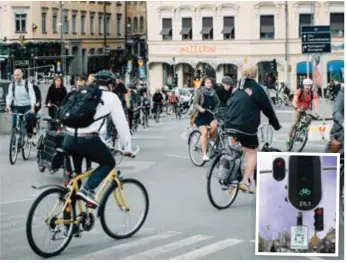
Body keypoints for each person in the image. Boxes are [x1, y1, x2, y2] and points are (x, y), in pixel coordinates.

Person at [62, 70, 133, 207]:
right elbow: (121, 125)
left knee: (76, 181)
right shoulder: (111, 97)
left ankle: (69, 220)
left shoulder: (83, 91)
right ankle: (88, 190)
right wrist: (127, 147)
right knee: (108, 162)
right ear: (111, 85)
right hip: (87, 141)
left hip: (69, 138)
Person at [224, 65, 281, 192]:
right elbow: (267, 108)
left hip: (229, 124)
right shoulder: (257, 88)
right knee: (253, 151)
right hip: (246, 126)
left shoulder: (237, 87)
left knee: (242, 149)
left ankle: (241, 172)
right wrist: (275, 124)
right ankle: (245, 181)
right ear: (255, 75)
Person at [191, 77, 220, 161]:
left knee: (215, 126)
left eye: (210, 83)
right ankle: (204, 155)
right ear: (204, 83)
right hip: (200, 115)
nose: (209, 84)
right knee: (204, 132)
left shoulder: (213, 92)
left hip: (210, 114)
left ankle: (209, 140)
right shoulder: (199, 91)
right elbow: (195, 103)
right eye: (207, 83)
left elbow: (218, 102)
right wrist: (200, 108)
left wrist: (217, 109)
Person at [286, 78, 319, 149]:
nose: (307, 87)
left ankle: (302, 130)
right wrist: (296, 108)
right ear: (303, 85)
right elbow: (294, 101)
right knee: (294, 123)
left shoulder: (313, 94)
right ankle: (288, 138)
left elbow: (316, 105)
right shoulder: (299, 91)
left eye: (309, 86)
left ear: (311, 86)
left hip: (307, 109)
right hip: (298, 108)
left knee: (310, 117)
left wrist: (316, 113)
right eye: (306, 85)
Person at [5, 69, 36, 138]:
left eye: (18, 75)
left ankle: (29, 133)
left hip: (27, 106)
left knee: (28, 118)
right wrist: (8, 105)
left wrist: (33, 108)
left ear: (21, 75)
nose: (16, 77)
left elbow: (32, 96)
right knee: (14, 121)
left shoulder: (27, 84)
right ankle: (14, 138)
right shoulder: (12, 85)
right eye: (15, 75)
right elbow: (10, 96)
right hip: (17, 106)